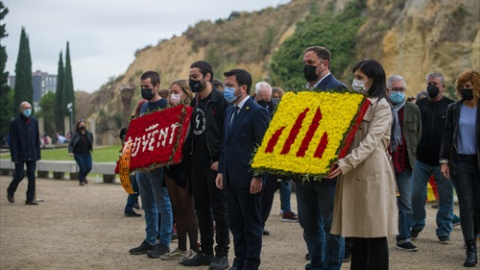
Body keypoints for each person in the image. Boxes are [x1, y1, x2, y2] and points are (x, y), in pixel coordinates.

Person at [327, 59, 398, 270]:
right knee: (356, 232)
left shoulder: (382, 106)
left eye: (360, 78)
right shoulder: (356, 103)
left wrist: (345, 162)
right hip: (351, 170)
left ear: (373, 80)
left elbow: (371, 142)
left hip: (370, 172)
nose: (355, 81)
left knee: (374, 233)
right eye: (355, 77)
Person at [297, 46, 346, 270]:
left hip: (327, 170)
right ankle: (316, 264)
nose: (306, 67)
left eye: (310, 62)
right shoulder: (305, 91)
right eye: (305, 62)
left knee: (330, 223)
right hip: (304, 168)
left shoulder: (338, 89)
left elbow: (344, 133)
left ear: (324, 64)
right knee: (308, 222)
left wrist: (335, 162)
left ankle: (331, 266)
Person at [215, 69, 269, 270]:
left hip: (249, 180)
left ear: (243, 87)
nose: (226, 90)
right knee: (236, 225)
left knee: (251, 226)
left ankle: (251, 264)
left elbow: (263, 147)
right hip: (229, 177)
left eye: (230, 86)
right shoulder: (229, 110)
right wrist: (221, 171)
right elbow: (225, 144)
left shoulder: (257, 112)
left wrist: (258, 175)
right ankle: (239, 262)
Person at [181, 60, 230, 270]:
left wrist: (220, 161)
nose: (191, 81)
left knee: (219, 210)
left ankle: (222, 254)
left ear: (207, 76)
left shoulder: (220, 102)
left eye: (195, 77)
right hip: (197, 164)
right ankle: (206, 252)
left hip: (213, 164)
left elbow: (227, 135)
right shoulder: (195, 102)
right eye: (190, 77)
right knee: (200, 208)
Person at [128, 71, 173, 258]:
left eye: (147, 87)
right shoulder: (144, 106)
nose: (144, 90)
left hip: (157, 166)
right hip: (142, 166)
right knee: (147, 205)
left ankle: (164, 242)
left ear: (156, 86)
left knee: (163, 203)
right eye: (142, 87)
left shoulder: (165, 105)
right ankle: (150, 239)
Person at [440, 70, 480, 267]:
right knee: (465, 203)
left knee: (477, 205)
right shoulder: (454, 109)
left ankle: (475, 233)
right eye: (462, 87)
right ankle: (470, 247)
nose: (465, 90)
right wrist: (444, 161)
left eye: (469, 87)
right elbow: (447, 136)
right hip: (460, 162)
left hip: (478, 162)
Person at [410, 72, 455, 244]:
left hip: (443, 162)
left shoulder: (451, 106)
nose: (431, 86)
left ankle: (444, 231)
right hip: (420, 160)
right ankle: (416, 225)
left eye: (435, 84)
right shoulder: (419, 105)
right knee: (416, 195)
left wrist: (450, 159)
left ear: (443, 87)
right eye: (429, 83)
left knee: (446, 197)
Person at [160, 79, 199, 262]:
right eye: (170, 92)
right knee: (176, 208)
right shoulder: (168, 114)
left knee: (187, 208)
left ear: (186, 93)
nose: (172, 95)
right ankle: (181, 247)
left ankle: (194, 248)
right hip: (170, 165)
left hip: (184, 164)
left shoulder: (191, 113)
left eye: (176, 91)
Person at [254, 82, 298, 235]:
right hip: (255, 155)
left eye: (268, 98)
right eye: (263, 98)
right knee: (256, 194)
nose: (266, 101)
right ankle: (254, 223)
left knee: (268, 194)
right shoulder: (251, 107)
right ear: (256, 96)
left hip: (272, 158)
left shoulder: (275, 106)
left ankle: (261, 223)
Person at [387, 75, 422, 252]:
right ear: (388, 90)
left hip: (405, 162)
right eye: (395, 89)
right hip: (384, 164)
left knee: (406, 202)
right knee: (380, 201)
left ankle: (404, 238)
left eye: (401, 89)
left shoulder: (412, 109)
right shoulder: (381, 107)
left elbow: (417, 133)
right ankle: (373, 237)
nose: (398, 93)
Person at [7, 101, 41, 205]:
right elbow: (13, 141)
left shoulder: (34, 121)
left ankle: (30, 199)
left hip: (32, 153)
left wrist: (38, 154)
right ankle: (10, 190)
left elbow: (36, 139)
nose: (28, 110)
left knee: (32, 177)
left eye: (29, 107)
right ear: (21, 110)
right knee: (19, 175)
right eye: (26, 108)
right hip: (20, 154)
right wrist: (15, 157)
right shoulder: (15, 123)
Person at [120, 99, 148, 217]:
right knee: (137, 185)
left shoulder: (135, 121)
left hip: (137, 158)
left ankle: (130, 206)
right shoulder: (141, 122)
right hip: (140, 158)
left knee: (137, 185)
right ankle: (129, 207)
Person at [68, 119, 94, 186]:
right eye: (81, 125)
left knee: (89, 167)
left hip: (87, 153)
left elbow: (91, 141)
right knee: (82, 167)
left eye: (83, 124)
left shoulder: (89, 134)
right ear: (78, 126)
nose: (82, 126)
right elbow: (71, 144)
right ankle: (81, 180)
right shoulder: (75, 135)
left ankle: (83, 177)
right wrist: (70, 152)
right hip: (78, 153)